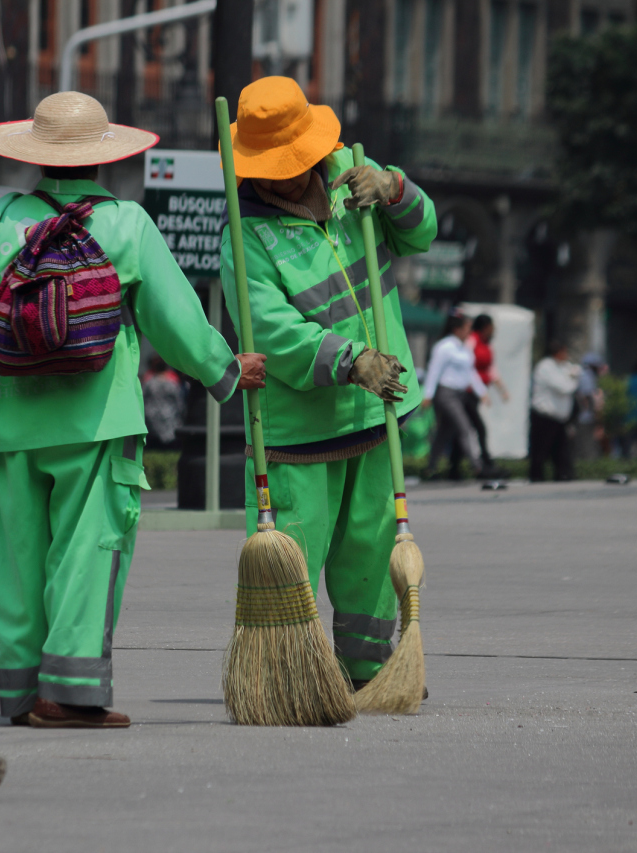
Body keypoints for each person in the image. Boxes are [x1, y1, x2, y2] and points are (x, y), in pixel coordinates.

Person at [0, 92, 267, 728]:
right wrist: (226, 372)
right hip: (97, 422)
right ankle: (67, 695)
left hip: (9, 426)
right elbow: (175, 320)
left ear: (34, 155)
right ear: (102, 159)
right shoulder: (124, 223)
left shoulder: (0, 218)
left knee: (16, 562)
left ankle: (18, 697)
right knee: (89, 553)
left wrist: (4, 374)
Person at [218, 76, 433, 691]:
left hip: (376, 410)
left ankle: (366, 669)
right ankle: (289, 673)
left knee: (369, 554)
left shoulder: (354, 177)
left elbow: (423, 233)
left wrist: (394, 189)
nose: (285, 176)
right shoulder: (245, 230)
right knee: (296, 552)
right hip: (302, 425)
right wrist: (350, 360)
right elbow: (272, 330)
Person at [423, 311, 488, 480]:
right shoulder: (444, 347)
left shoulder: (464, 348)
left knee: (444, 432)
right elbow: (434, 371)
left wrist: (481, 392)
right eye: (467, 328)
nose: (470, 332)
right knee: (465, 428)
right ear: (457, 329)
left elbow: (471, 373)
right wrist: (427, 394)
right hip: (446, 394)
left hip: (460, 395)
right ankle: (478, 467)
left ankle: (430, 468)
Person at [460, 313, 508, 476]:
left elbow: (491, 370)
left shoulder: (487, 345)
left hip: (476, 393)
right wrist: (481, 390)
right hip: (466, 392)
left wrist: (502, 389)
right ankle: (484, 463)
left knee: (461, 429)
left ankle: (455, 466)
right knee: (478, 428)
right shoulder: (472, 341)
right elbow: (468, 368)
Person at [529, 340, 581, 481]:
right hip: (545, 417)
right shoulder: (545, 367)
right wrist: (574, 378)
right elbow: (564, 387)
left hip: (559, 418)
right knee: (541, 452)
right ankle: (536, 478)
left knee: (561, 452)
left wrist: (573, 373)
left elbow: (573, 372)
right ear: (558, 353)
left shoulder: (561, 367)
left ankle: (563, 476)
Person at [140, 355, 185, 449]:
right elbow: (179, 402)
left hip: (152, 420)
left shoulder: (149, 383)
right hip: (170, 418)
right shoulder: (172, 383)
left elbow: (142, 399)